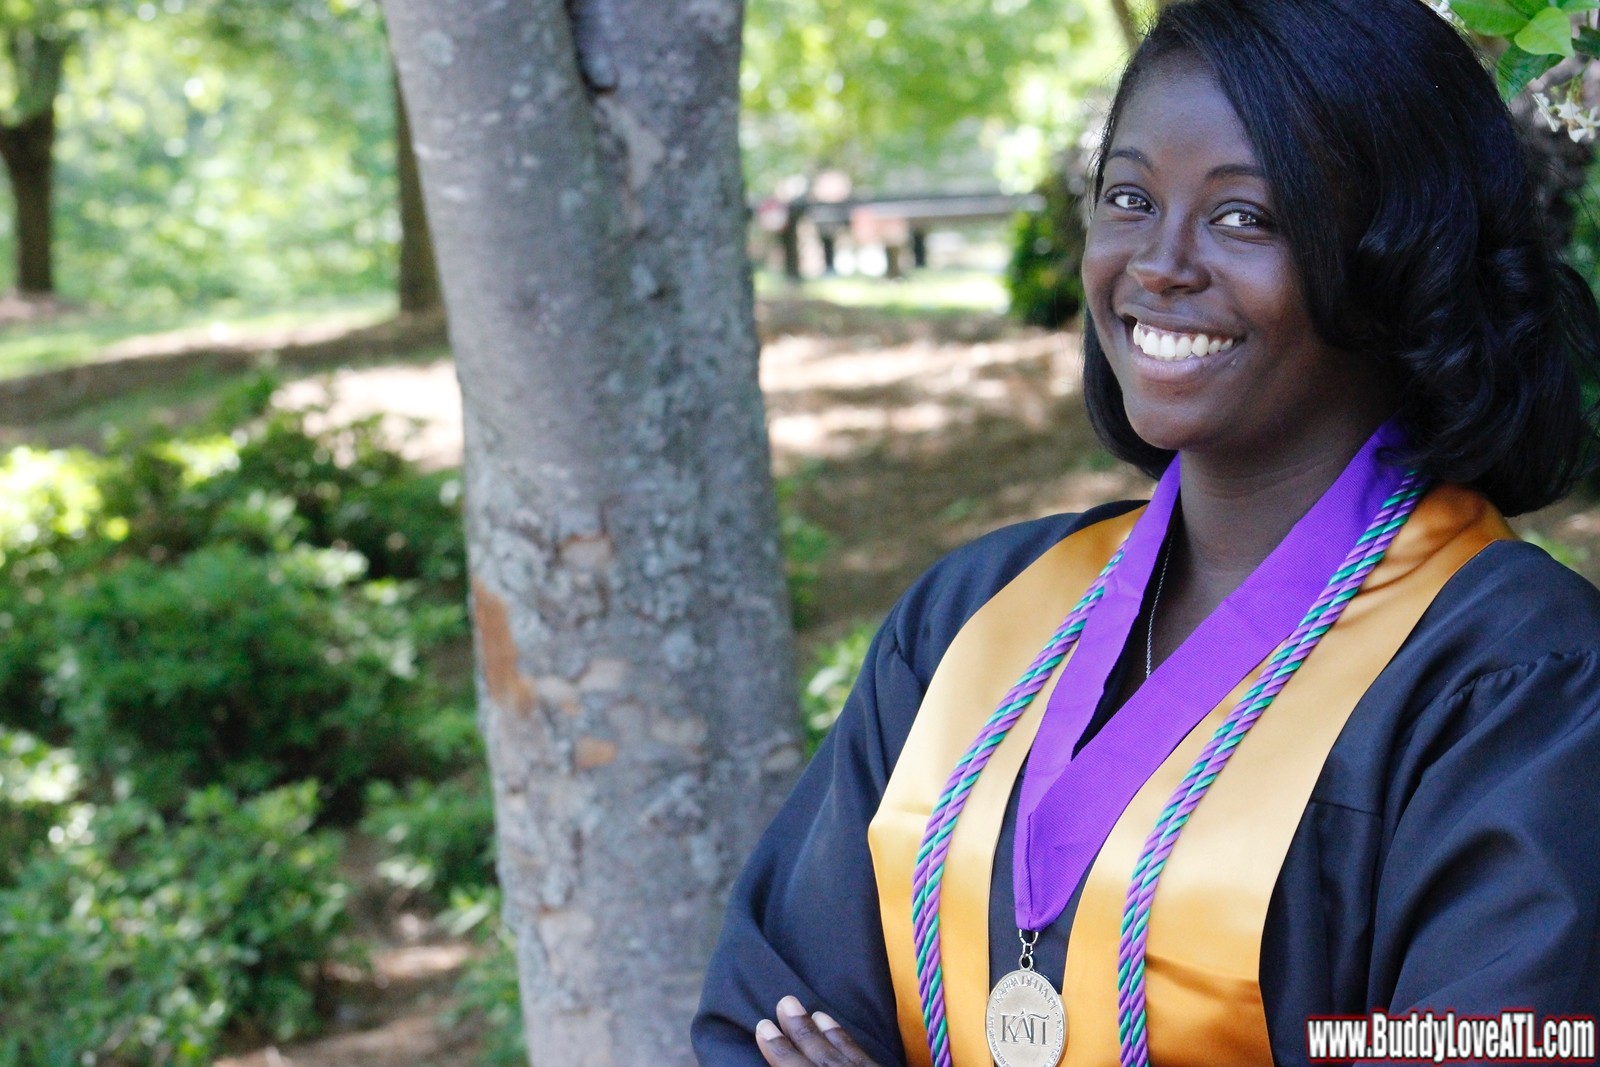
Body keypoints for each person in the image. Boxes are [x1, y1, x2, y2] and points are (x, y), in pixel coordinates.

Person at [694, 1, 1600, 1064]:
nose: (1158, 264)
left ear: (1398, 257)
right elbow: (770, 1018)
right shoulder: (970, 617)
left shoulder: (1513, 684)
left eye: (1244, 216)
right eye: (1129, 198)